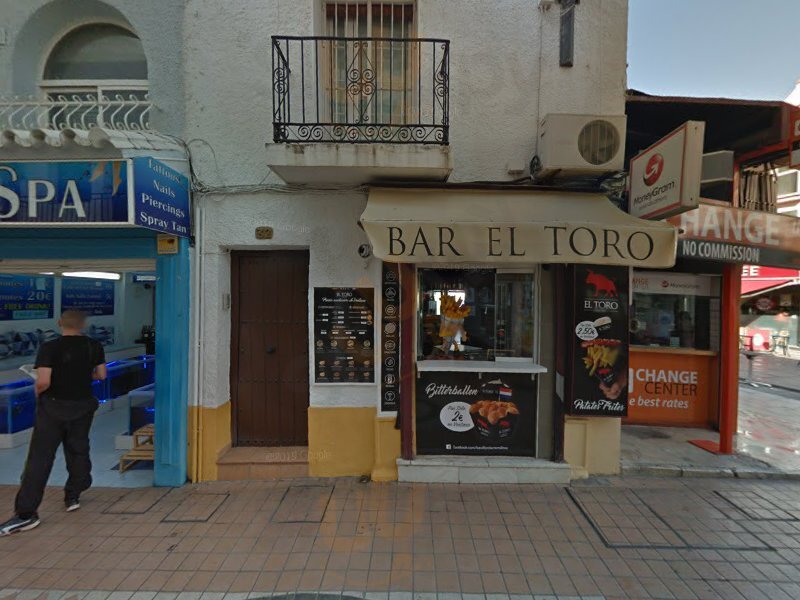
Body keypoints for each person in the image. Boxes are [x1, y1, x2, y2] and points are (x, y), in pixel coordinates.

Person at [0, 310, 106, 536]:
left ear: (60, 323)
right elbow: (101, 375)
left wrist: (38, 392)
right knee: (78, 448)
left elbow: (44, 382)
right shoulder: (94, 346)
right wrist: (80, 376)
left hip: (53, 408)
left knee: (40, 458)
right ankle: (74, 494)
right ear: (83, 324)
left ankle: (26, 514)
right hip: (82, 406)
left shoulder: (50, 347)